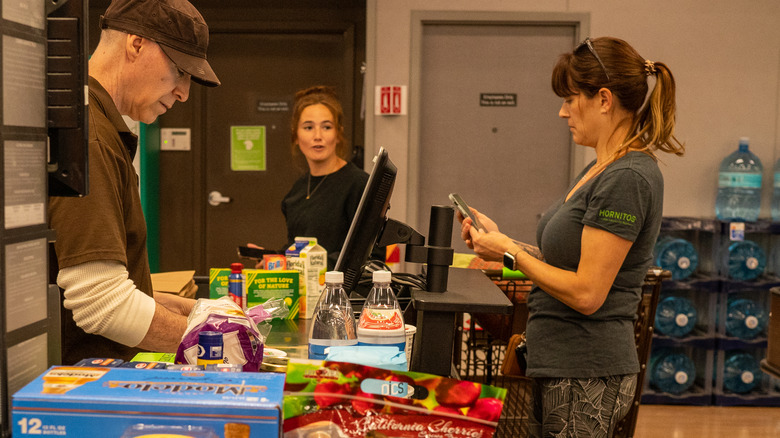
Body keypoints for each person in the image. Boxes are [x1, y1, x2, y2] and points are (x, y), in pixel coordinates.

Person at [458, 37, 684, 437]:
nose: (562, 112)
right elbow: (560, 261)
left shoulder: (627, 178)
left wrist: (510, 250)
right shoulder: (598, 170)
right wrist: (500, 244)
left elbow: (586, 292)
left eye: (570, 99)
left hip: (587, 371)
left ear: (603, 99)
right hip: (558, 362)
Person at [47, 0, 220, 364]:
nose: (184, 92)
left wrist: (201, 313)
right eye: (180, 71)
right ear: (136, 43)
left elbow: (108, 288)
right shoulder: (89, 137)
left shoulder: (99, 125)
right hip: (83, 389)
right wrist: (215, 343)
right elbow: (100, 302)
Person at [280, 86, 369, 269]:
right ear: (295, 136)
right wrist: (272, 259)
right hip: (304, 294)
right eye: (308, 127)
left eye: (326, 127)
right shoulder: (296, 191)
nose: (317, 136)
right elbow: (296, 251)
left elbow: (366, 259)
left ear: (338, 134)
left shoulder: (358, 184)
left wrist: (296, 263)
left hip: (342, 294)